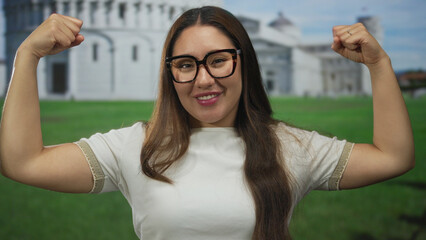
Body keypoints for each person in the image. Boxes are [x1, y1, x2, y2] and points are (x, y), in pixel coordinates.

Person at [0, 6, 415, 240]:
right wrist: (27, 57)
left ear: (244, 63)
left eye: (218, 60)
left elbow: (393, 157)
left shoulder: (289, 146)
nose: (203, 79)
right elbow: (24, 163)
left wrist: (379, 65)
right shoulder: (135, 147)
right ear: (170, 74)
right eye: (185, 65)